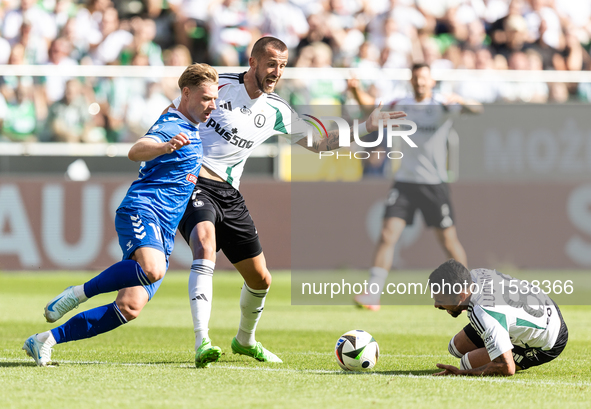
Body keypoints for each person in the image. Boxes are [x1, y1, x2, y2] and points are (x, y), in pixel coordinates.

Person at [168, 36, 406, 367]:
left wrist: (366, 126)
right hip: (193, 181)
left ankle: (245, 340)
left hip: (229, 193)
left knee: (261, 279)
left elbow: (319, 144)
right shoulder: (218, 86)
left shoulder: (276, 108)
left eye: (282, 66)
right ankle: (202, 340)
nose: (277, 72)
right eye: (271, 64)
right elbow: (174, 113)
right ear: (252, 62)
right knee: (204, 246)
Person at [22, 63, 218, 366]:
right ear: (186, 93)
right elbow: (137, 149)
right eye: (206, 98)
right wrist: (164, 147)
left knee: (129, 306)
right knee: (153, 270)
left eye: (215, 99)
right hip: (143, 209)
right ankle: (77, 293)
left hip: (164, 230)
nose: (212, 105)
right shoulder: (172, 124)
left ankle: (44, 341)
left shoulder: (191, 127)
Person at [349, 63, 480, 311]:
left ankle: (468, 291)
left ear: (431, 82)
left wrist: (462, 100)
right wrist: (355, 90)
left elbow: (477, 109)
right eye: (416, 78)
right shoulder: (401, 102)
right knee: (388, 234)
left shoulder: (442, 104)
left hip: (434, 184)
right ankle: (372, 294)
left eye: (424, 79)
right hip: (405, 182)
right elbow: (370, 107)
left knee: (449, 242)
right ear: (411, 80)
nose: (420, 83)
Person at [429, 259, 568, 376]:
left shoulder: (485, 313)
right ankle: (501, 340)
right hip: (546, 307)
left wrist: (462, 373)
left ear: (461, 296)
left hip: (550, 338)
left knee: (466, 364)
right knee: (456, 347)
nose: (436, 305)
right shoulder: (476, 274)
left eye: (441, 301)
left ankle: (511, 345)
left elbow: (507, 367)